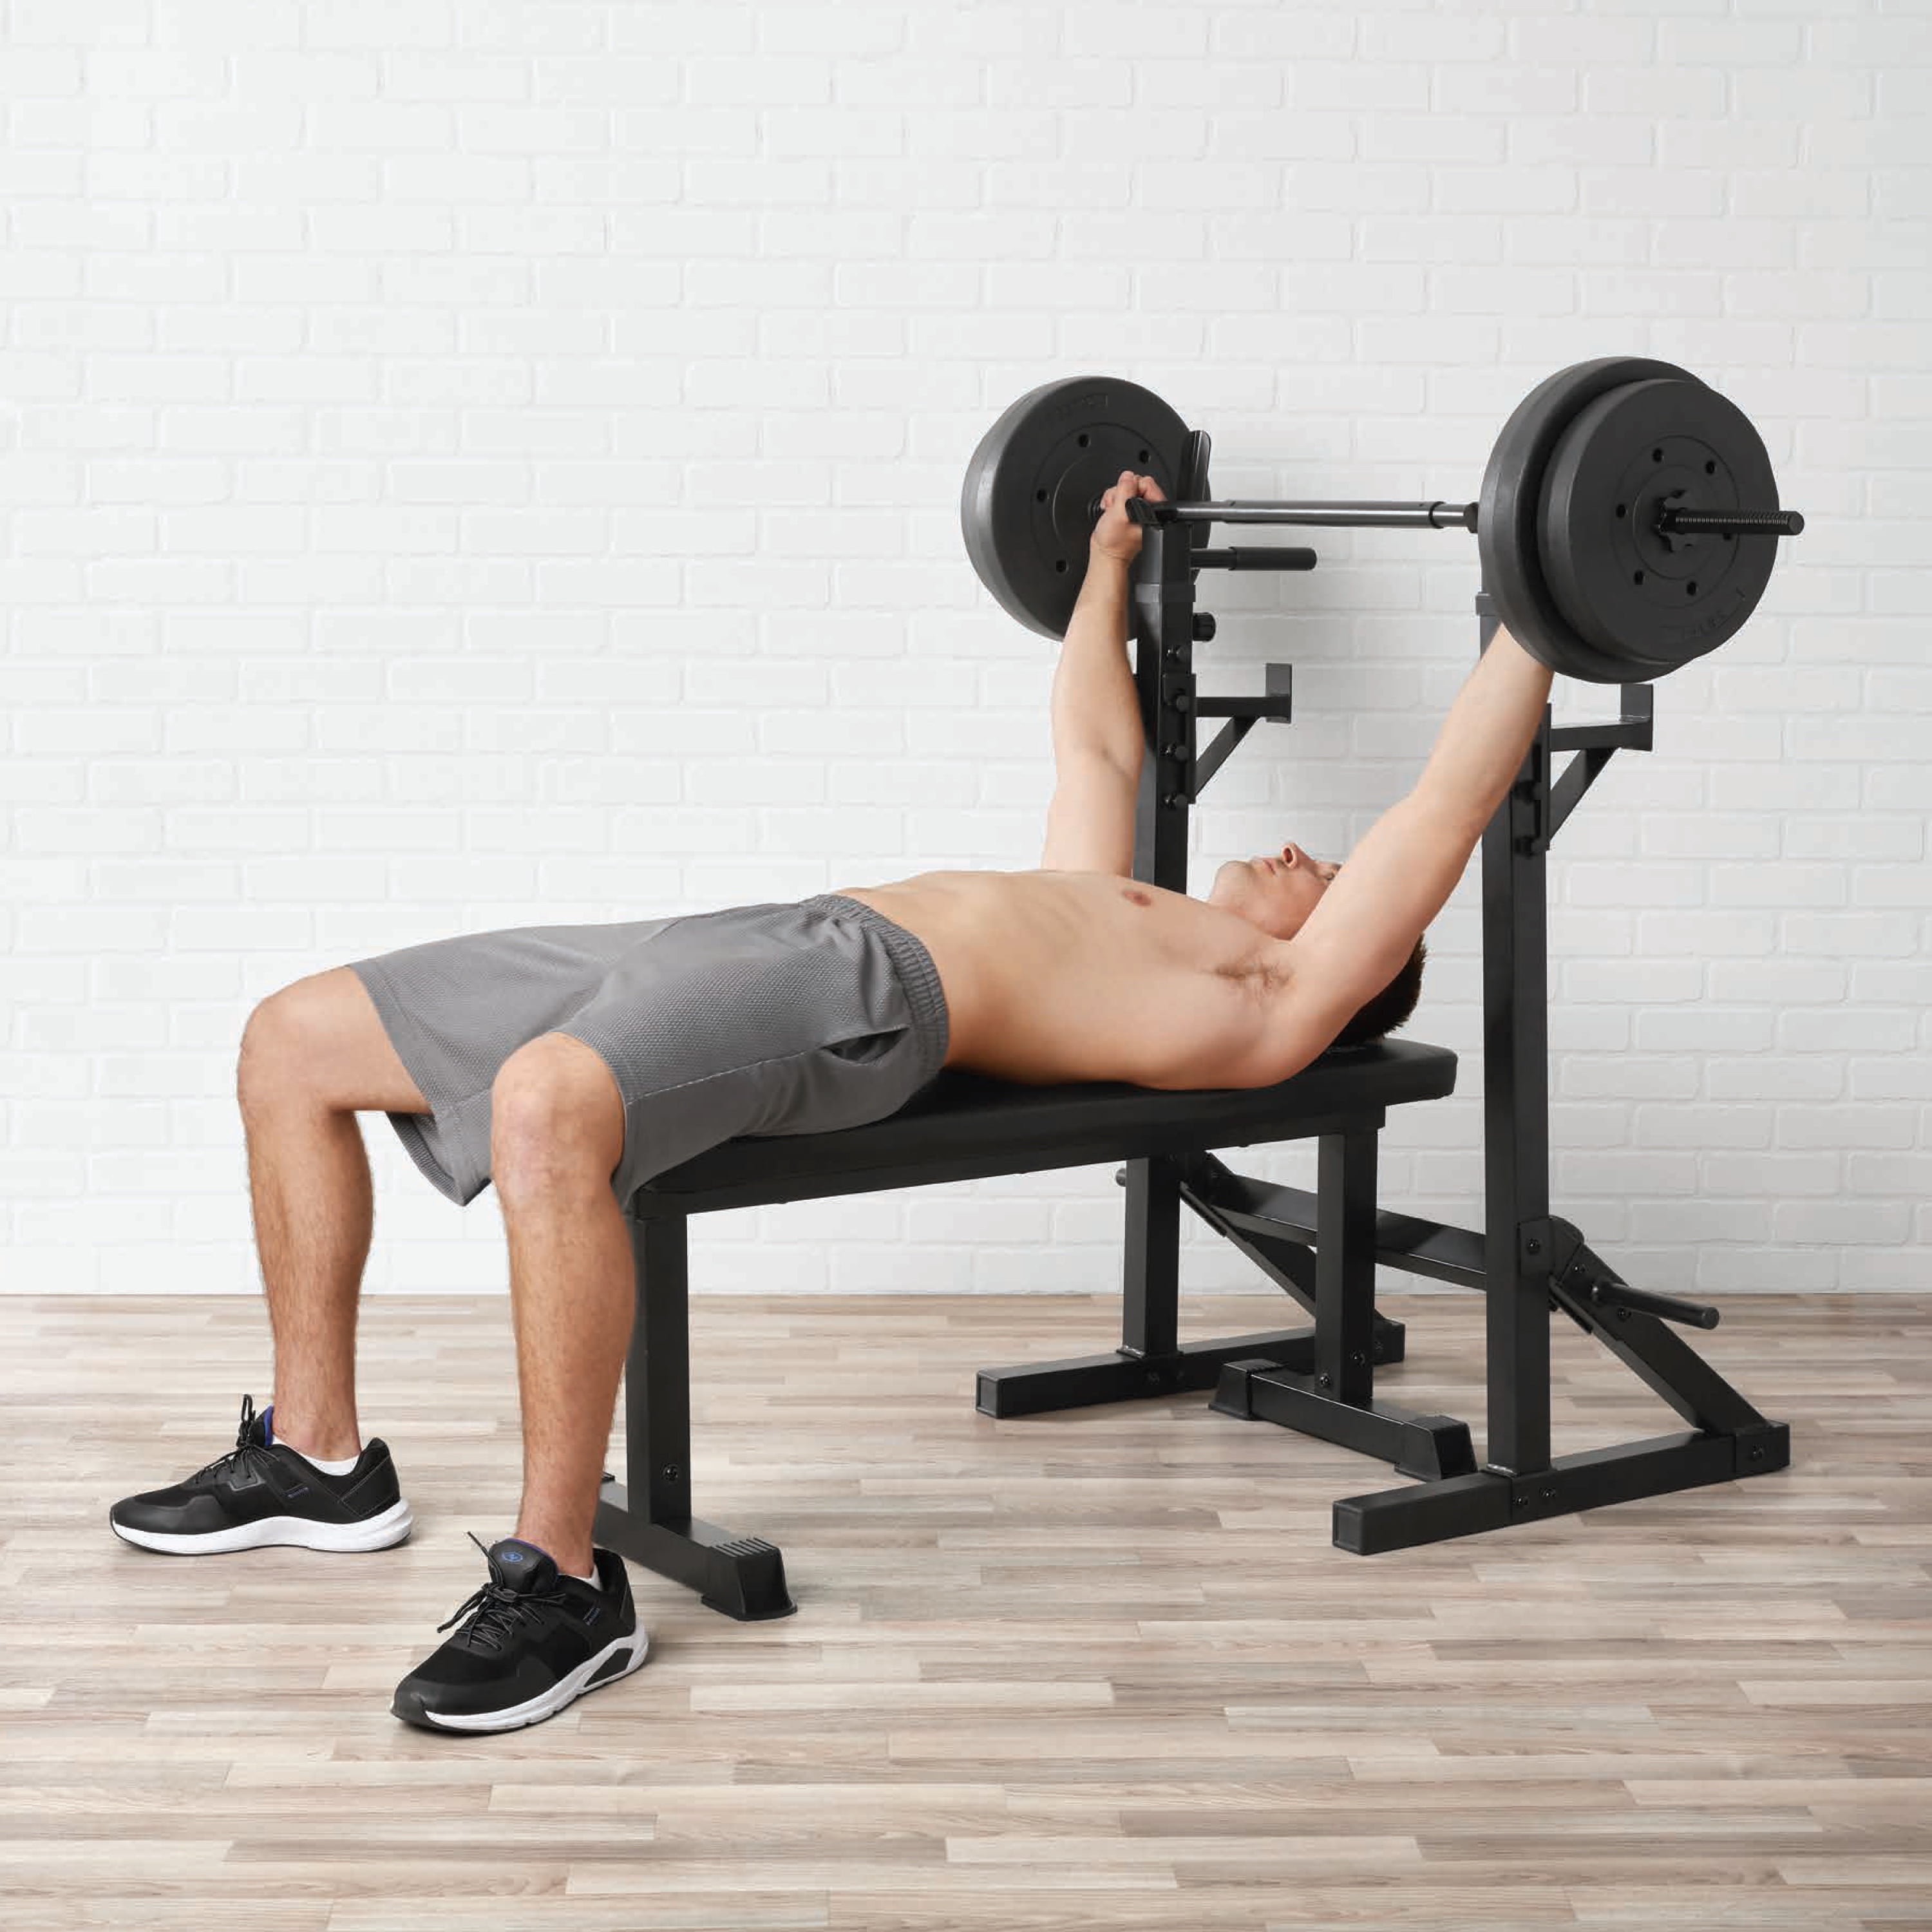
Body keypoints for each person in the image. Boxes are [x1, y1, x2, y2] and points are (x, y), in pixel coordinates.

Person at [109, 468, 1556, 1734]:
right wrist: (1106, 569)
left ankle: (566, 1583)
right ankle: (317, 1458)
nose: (1303, 852)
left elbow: (1437, 811)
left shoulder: (1267, 1002)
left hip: (868, 996)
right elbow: (1101, 751)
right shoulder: (1124, 910)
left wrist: (1542, 609)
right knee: (292, 1040)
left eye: (1327, 879)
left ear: (1355, 960)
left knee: (550, 1103)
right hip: (772, 935)